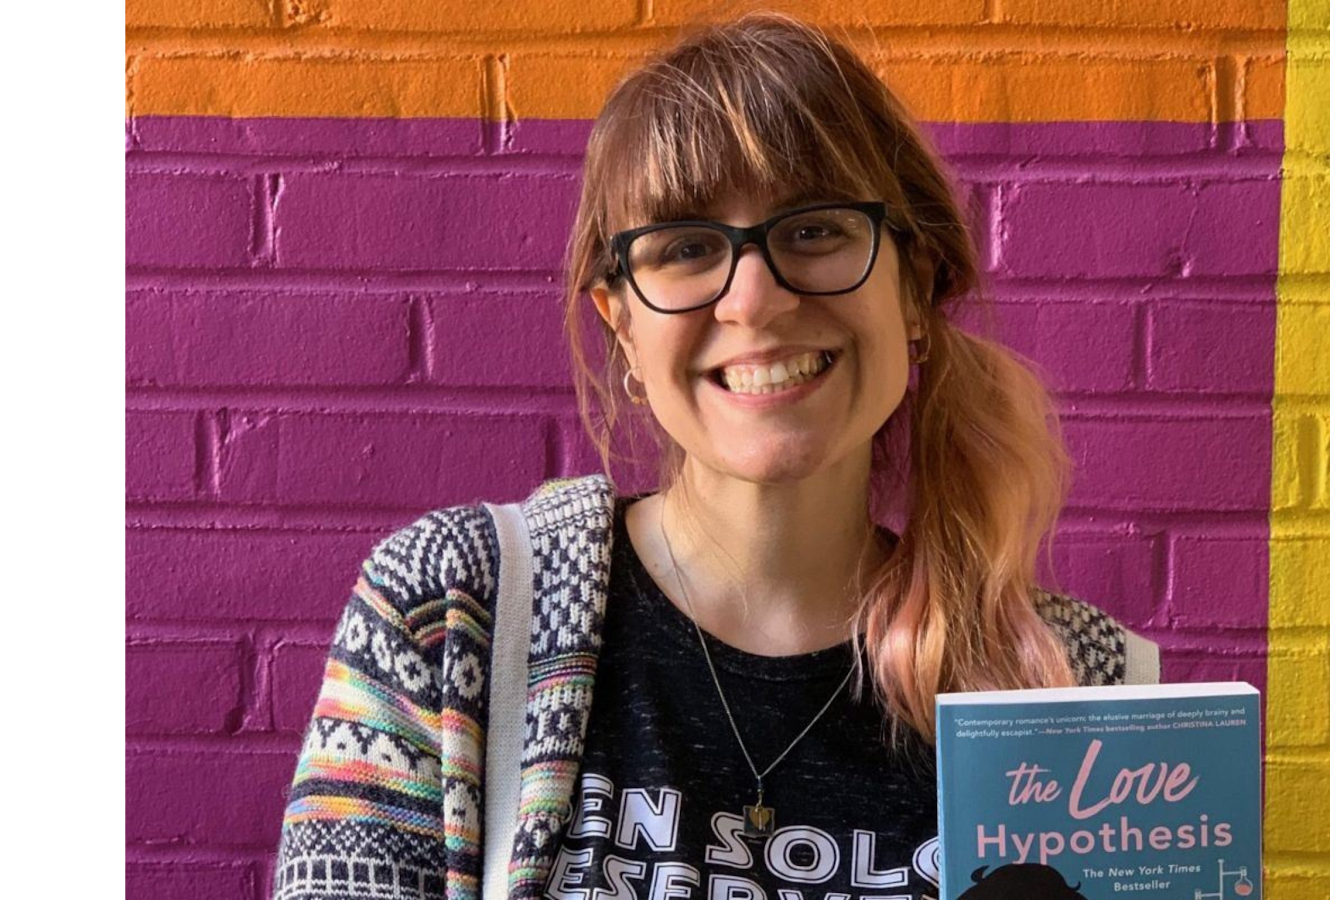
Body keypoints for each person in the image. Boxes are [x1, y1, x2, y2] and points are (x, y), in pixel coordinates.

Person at [268, 11, 1159, 900]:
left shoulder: (1082, 694)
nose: (755, 300)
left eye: (814, 228)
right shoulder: (455, 612)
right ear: (621, 324)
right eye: (687, 248)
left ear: (916, 286)